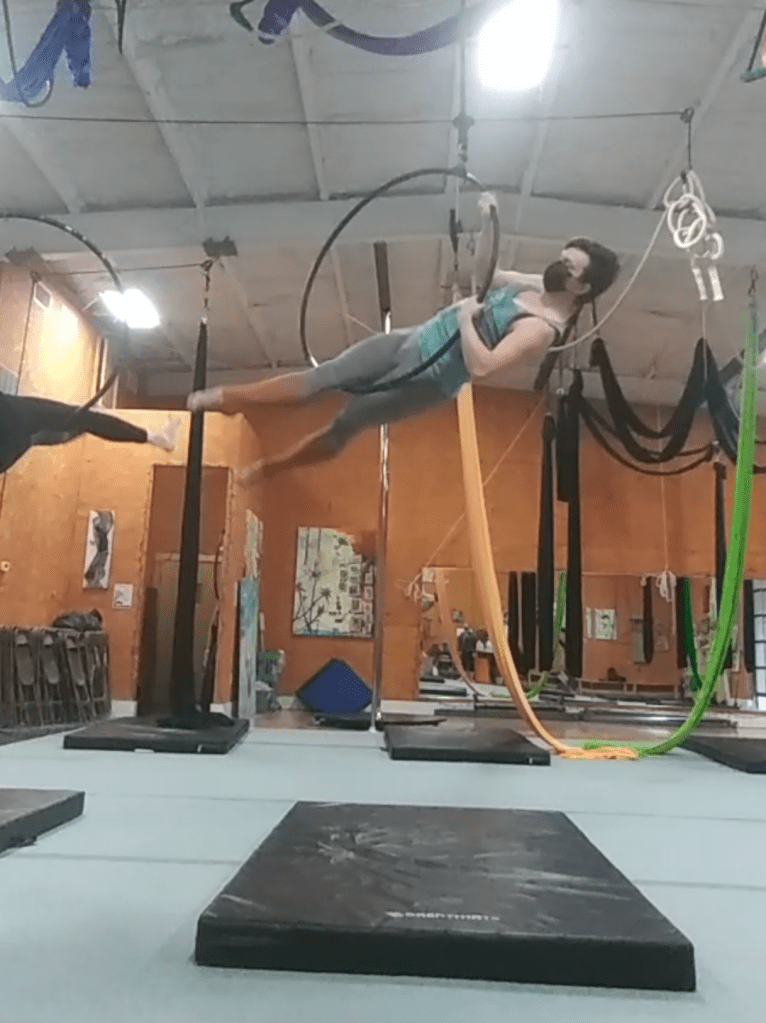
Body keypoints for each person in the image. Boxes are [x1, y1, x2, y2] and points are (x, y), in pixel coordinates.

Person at [188, 193, 620, 482]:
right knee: (325, 377)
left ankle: (272, 467)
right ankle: (227, 398)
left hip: (427, 381)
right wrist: (489, 224)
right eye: (562, 258)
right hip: (413, 338)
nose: (556, 267)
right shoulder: (539, 286)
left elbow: (483, 367)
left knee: (346, 422)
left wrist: (466, 321)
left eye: (568, 267)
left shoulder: (540, 329)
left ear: (581, 287)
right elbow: (486, 274)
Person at [0, 391, 181, 475]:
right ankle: (156, 438)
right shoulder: (17, 413)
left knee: (39, 433)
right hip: (13, 423)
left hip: (13, 431)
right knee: (83, 420)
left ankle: (156, 438)